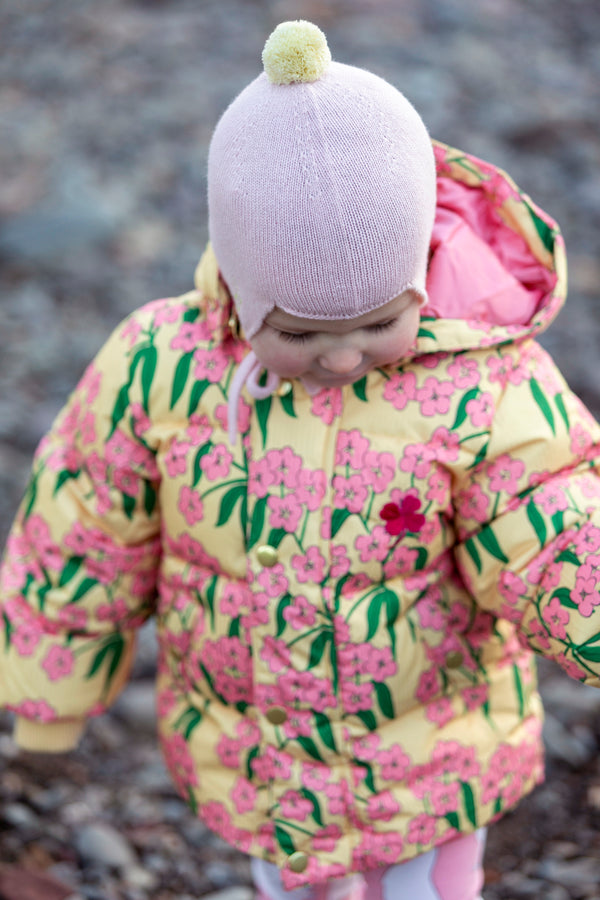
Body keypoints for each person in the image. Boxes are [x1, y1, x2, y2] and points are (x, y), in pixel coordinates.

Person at [1, 18, 599, 900]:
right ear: (243, 295)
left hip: (434, 752)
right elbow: (82, 527)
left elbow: (555, 520)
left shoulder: (485, 383)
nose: (346, 356)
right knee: (292, 884)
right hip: (260, 756)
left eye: (380, 320)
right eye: (303, 332)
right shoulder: (161, 367)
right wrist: (51, 692)